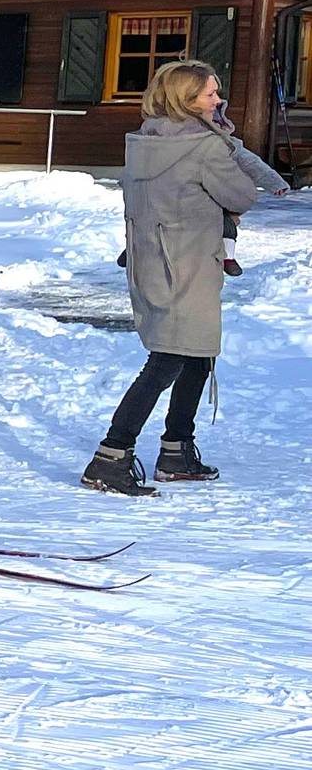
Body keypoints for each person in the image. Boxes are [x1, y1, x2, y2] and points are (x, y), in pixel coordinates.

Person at [84, 60, 260, 494]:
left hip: (155, 262)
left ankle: (177, 449)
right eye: (209, 95)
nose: (218, 101)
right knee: (167, 361)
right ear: (186, 101)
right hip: (189, 265)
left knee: (197, 356)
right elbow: (241, 194)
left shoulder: (143, 141)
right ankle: (111, 454)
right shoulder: (204, 146)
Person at [206, 100, 292, 276]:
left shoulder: (228, 143)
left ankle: (228, 257)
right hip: (186, 201)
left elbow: (252, 163)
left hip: (217, 195)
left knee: (226, 223)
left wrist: (274, 182)